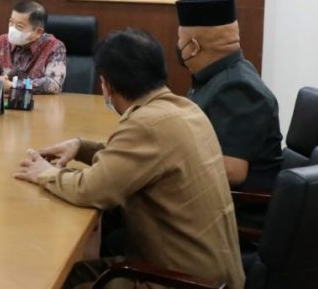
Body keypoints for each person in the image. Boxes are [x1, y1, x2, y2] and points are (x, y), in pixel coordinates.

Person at [15, 29, 244, 289]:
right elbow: (134, 161)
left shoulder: (146, 124)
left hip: (180, 280)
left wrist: (45, 173)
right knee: (71, 273)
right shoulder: (183, 109)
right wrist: (81, 147)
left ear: (106, 85)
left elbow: (91, 190)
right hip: (209, 273)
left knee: (62, 278)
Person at [175, 0, 283, 192]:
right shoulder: (217, 76)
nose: (179, 47)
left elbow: (232, 171)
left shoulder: (238, 88)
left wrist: (166, 165)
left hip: (237, 205)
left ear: (194, 47)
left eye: (180, 40)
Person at [0, 0, 66, 94]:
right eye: (11, 23)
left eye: (19, 26)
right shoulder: (1, 41)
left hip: (38, 102)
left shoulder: (54, 46)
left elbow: (53, 84)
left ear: (38, 32)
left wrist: (14, 86)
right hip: (4, 101)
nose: (12, 29)